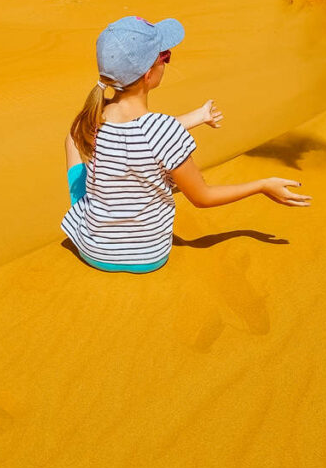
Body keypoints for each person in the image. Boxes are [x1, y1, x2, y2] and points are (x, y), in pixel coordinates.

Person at [60, 15, 312, 274]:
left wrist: (197, 117)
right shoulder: (163, 131)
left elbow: (142, 135)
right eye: (165, 56)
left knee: (74, 143)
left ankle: (91, 213)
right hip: (148, 256)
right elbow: (202, 198)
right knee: (163, 171)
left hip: (92, 250)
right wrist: (262, 185)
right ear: (149, 74)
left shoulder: (88, 122)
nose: (167, 61)